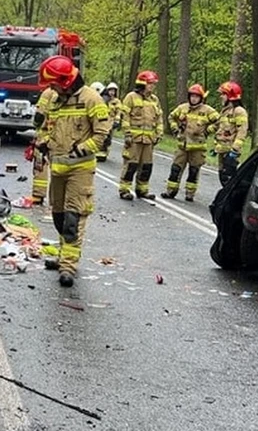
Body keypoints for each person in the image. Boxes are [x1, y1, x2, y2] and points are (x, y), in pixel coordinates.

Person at [35, 55, 111, 287]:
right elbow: (48, 126)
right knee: (58, 216)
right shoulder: (57, 99)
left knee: (72, 218)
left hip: (80, 169)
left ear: (66, 81)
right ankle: (61, 257)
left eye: (54, 84)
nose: (51, 88)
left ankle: (68, 265)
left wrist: (83, 150)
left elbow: (102, 132)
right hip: (57, 168)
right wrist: (44, 142)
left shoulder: (91, 98)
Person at [165, 84, 219, 201]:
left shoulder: (207, 110)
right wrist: (175, 128)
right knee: (175, 169)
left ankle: (190, 193)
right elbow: (171, 117)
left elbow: (219, 121)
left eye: (197, 96)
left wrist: (207, 131)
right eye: (192, 96)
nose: (194, 98)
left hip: (198, 148)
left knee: (193, 171)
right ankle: (171, 191)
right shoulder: (182, 108)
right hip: (182, 146)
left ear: (201, 98)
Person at [118, 71, 164, 200]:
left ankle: (142, 190)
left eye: (153, 84)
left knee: (146, 166)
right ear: (142, 84)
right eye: (150, 84)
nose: (152, 86)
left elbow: (159, 118)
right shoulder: (131, 97)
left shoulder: (155, 100)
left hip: (149, 140)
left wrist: (159, 133)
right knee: (131, 165)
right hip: (134, 139)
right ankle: (124, 189)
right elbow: (125, 116)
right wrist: (127, 134)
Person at [27, 86, 59, 206]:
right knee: (58, 167)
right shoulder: (69, 93)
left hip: (44, 135)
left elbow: (39, 115)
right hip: (60, 136)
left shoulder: (48, 93)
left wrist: (36, 125)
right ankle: (56, 199)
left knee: (40, 165)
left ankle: (38, 195)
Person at [213, 81, 249, 186]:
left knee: (228, 179)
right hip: (222, 150)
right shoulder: (225, 111)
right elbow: (220, 128)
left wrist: (235, 149)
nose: (221, 97)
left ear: (230, 96)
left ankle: (229, 201)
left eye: (223, 94)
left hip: (230, 151)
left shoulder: (239, 111)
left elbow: (242, 131)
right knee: (222, 177)